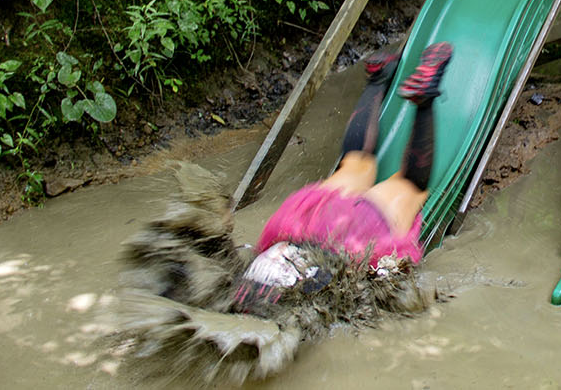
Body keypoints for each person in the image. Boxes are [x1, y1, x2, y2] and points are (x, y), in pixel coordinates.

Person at [114, 42, 454, 384]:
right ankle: (384, 82)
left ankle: (395, 88)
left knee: (380, 176)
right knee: (382, 175)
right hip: (296, 228)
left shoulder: (247, 313)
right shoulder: (240, 294)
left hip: (323, 231)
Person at [235, 41, 453, 307]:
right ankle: (377, 78)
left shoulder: (250, 311)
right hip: (294, 225)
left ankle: (423, 100)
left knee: (409, 187)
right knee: (355, 164)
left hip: (341, 244)